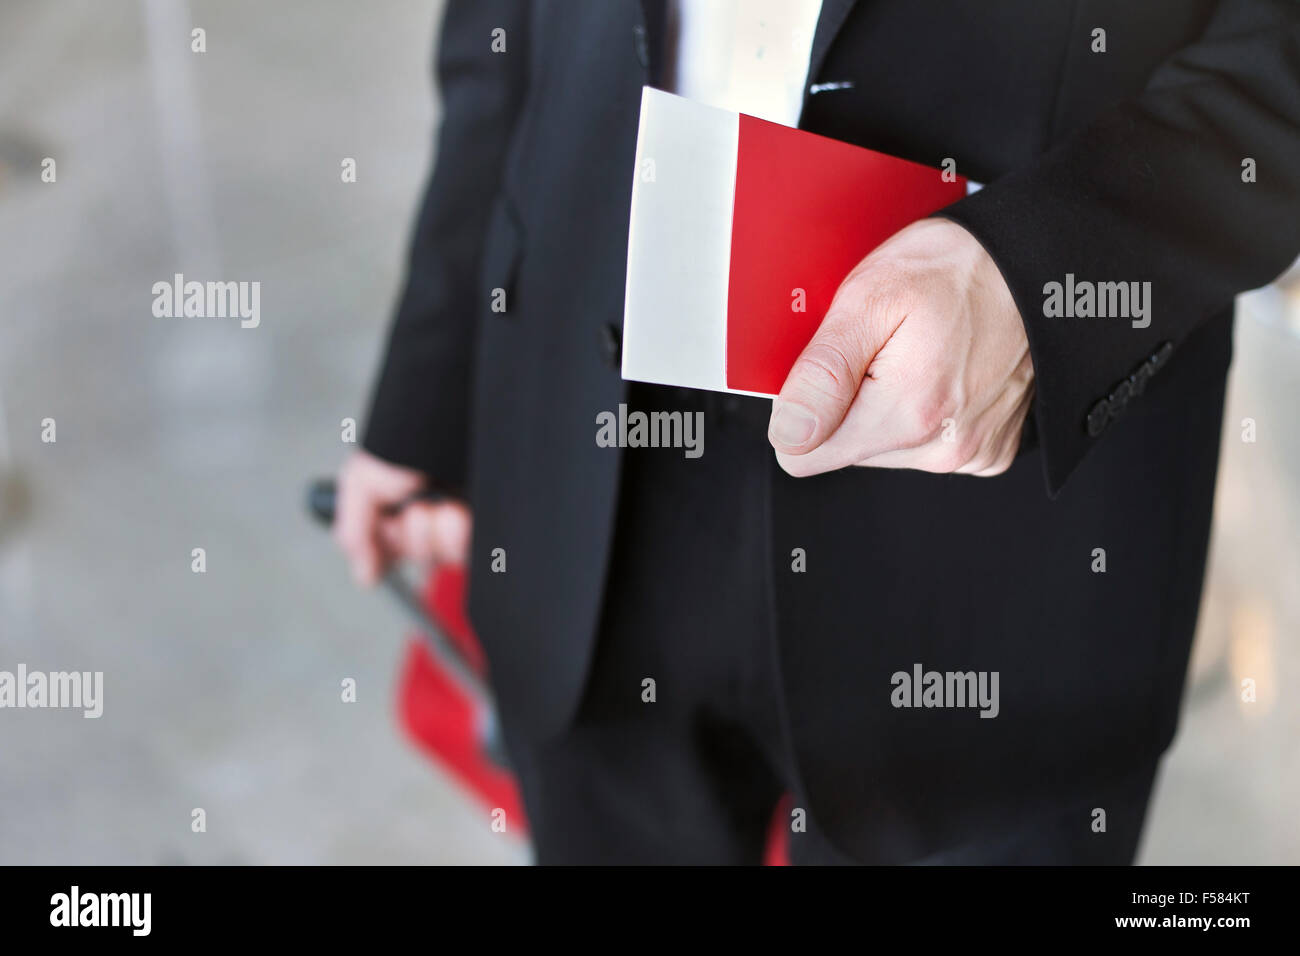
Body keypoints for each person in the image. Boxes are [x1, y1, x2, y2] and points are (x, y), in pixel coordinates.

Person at [335, 0, 1300, 864]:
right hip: (593, 464)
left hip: (1003, 528)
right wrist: (426, 399)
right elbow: (499, 42)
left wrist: (1050, 275)